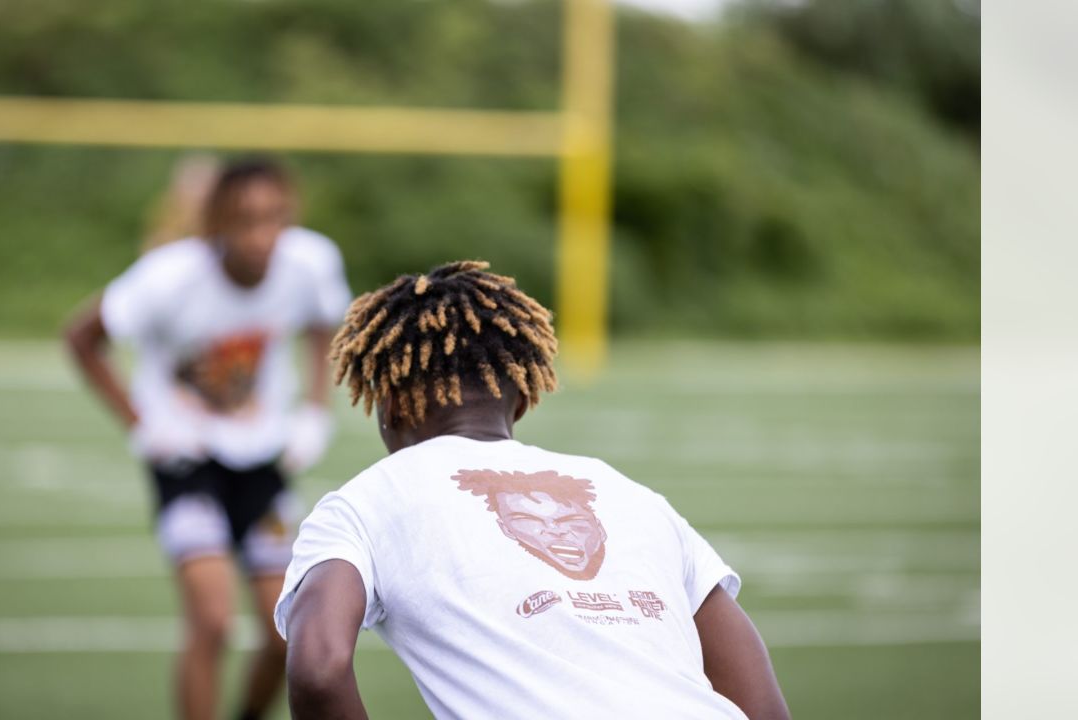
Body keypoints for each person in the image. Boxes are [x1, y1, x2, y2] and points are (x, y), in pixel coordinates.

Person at [274, 261, 791, 720]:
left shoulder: (364, 503)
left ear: (386, 407)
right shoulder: (627, 493)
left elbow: (318, 667)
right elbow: (761, 703)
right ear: (522, 399)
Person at [64, 156, 352, 720]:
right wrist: (142, 425)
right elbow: (80, 337)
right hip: (186, 461)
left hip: (263, 460)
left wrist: (314, 410)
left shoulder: (310, 261)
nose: (261, 236)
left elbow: (324, 321)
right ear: (215, 221)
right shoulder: (168, 277)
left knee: (287, 634)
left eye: (274, 218)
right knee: (213, 620)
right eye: (244, 220)